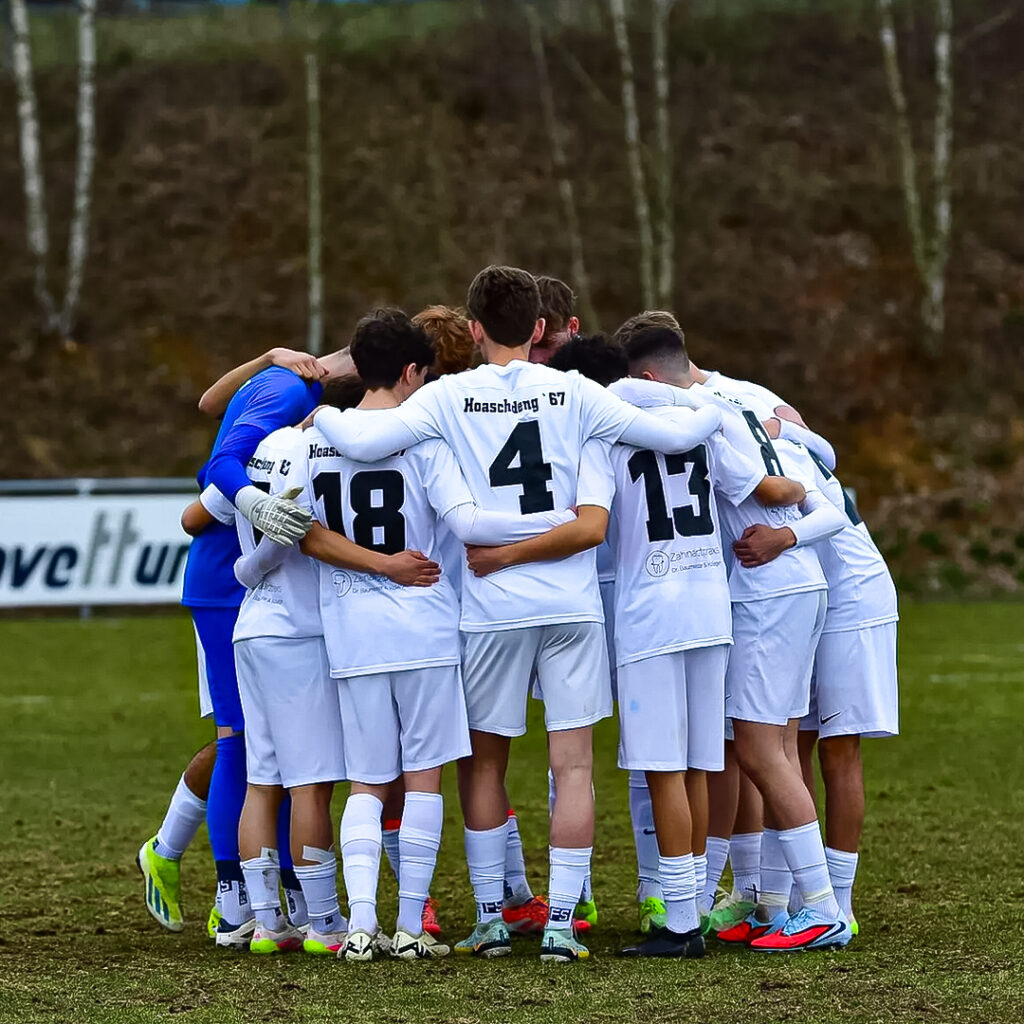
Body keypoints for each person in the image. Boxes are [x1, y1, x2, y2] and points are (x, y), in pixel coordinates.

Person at [311, 266, 723, 963]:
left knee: (484, 768)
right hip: (569, 603)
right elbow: (676, 437)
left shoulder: (448, 397)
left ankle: (492, 919)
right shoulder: (575, 393)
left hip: (492, 607)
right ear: (540, 330)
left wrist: (320, 412)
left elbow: (362, 443)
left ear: (473, 331)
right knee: (575, 767)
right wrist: (717, 402)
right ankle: (561, 922)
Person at [301, 308, 583, 960]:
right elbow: (465, 521)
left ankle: (362, 926)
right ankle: (408, 929)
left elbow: (302, 534)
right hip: (424, 625)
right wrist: (559, 522)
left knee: (368, 786)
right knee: (425, 781)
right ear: (411, 373)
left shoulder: (315, 437)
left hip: (351, 633)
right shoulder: (427, 440)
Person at [547, 334, 806, 956]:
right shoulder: (703, 419)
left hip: (650, 615)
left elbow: (589, 524)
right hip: (710, 606)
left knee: (663, 769)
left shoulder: (603, 431)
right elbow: (765, 488)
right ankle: (686, 911)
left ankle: (682, 923)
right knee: (694, 764)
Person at [615, 325, 854, 952]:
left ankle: (823, 907)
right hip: (798, 584)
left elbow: (769, 490)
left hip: (764, 591)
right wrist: (794, 518)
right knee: (774, 746)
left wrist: (782, 525)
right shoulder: (744, 400)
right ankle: (780, 903)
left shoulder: (690, 415)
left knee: (758, 750)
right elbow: (822, 493)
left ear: (645, 379)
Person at [136, 348, 350, 939]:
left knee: (270, 747)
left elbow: (210, 405)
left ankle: (268, 889)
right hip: (231, 591)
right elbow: (202, 501)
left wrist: (265, 358)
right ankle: (234, 898)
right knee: (244, 744)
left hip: (258, 590)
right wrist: (243, 499)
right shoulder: (288, 396)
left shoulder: (305, 396)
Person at [770, 429, 899, 934]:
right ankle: (799, 894)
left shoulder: (761, 436)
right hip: (807, 599)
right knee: (790, 742)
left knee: (838, 749)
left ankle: (838, 904)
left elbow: (824, 480)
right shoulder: (762, 426)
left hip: (854, 599)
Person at [529, 275, 580, 365]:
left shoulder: (599, 373)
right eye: (529, 347)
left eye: (547, 346)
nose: (536, 358)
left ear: (573, 326)